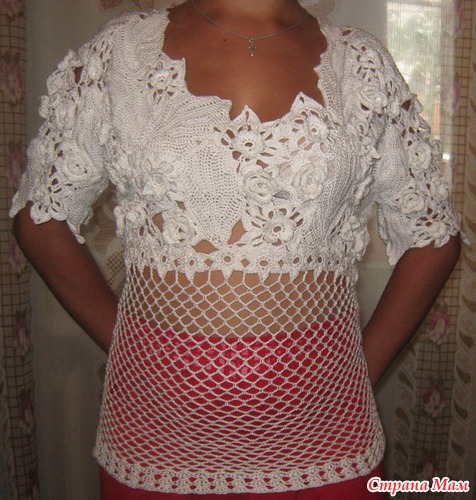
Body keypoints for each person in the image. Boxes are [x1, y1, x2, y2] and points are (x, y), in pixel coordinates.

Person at [11, 0, 462, 498]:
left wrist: (358, 370)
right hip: (155, 429)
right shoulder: (122, 53)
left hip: (325, 433)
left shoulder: (360, 64)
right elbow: (42, 217)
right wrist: (126, 344)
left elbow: (432, 235)